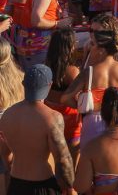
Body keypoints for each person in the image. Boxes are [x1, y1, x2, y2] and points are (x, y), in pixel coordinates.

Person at [0, 65, 75, 195]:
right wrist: (70, 187)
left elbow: (5, 154)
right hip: (42, 184)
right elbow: (63, 159)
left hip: (16, 184)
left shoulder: (7, 115)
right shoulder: (52, 118)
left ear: (23, 84)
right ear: (50, 85)